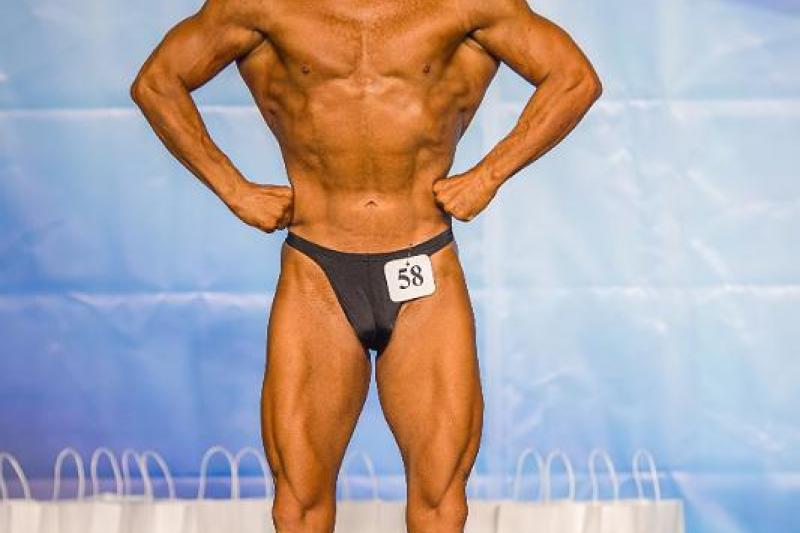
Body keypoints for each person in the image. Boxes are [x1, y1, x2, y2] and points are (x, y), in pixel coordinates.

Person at [130, 0, 601, 530]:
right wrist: (234, 189)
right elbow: (157, 82)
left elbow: (574, 78)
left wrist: (489, 175)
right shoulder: (263, 5)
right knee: (298, 503)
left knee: (440, 504)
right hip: (316, 273)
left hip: (424, 263)